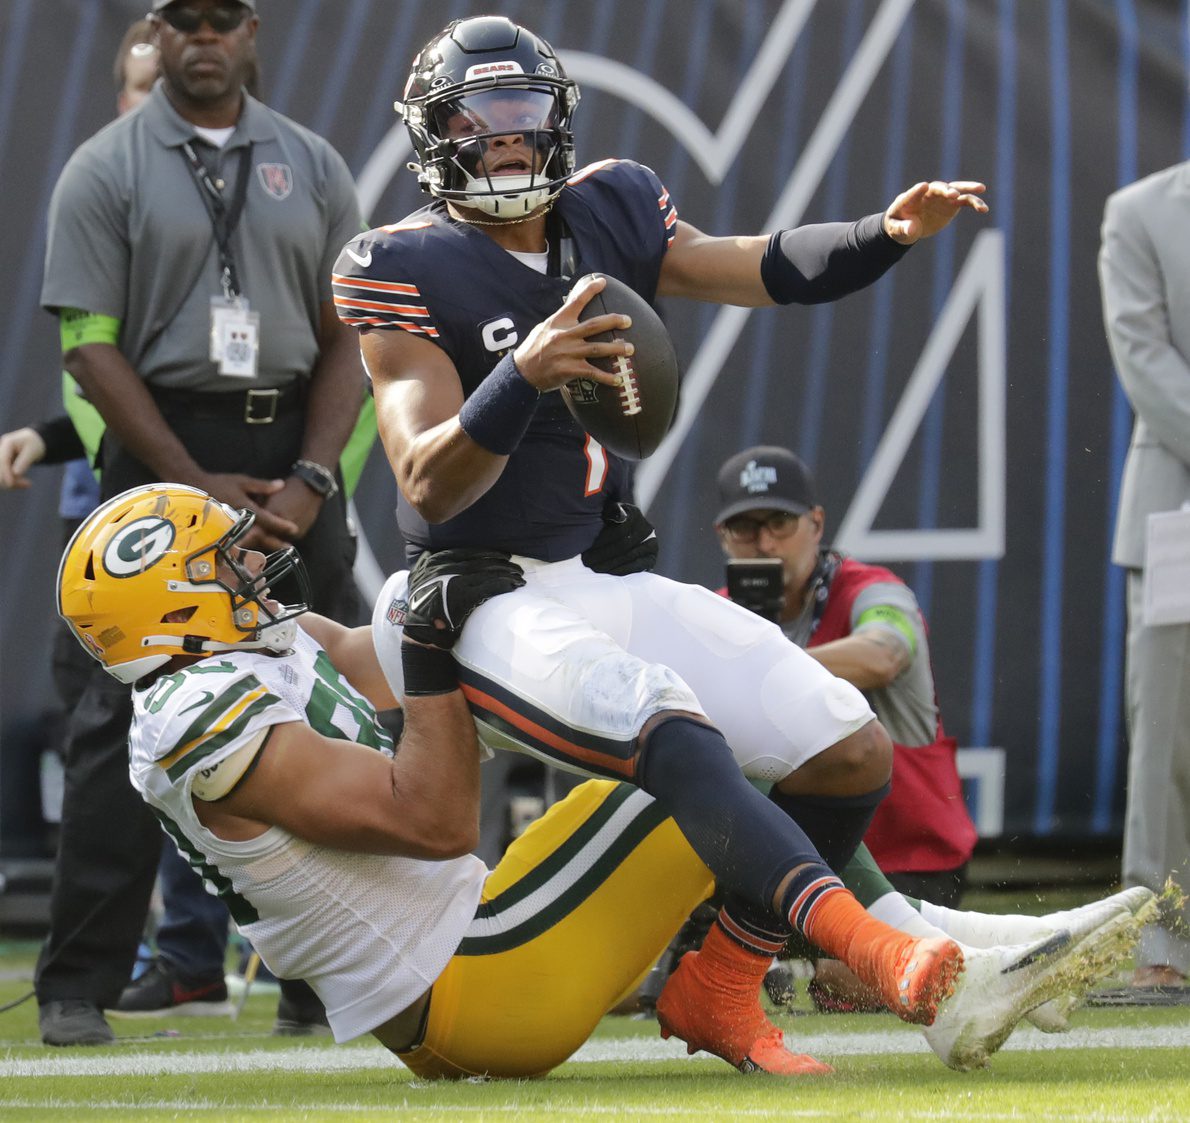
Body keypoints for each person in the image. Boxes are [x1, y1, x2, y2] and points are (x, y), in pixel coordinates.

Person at [328, 16, 1151, 1075]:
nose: (505, 140)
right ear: (432, 134)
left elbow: (753, 267)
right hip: (476, 599)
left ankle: (719, 983)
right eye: (477, 121)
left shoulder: (608, 208)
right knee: (669, 724)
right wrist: (521, 375)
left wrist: (881, 237)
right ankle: (885, 953)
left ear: (558, 123)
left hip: (588, 575)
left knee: (843, 740)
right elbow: (424, 475)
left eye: (523, 115)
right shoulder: (399, 263)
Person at [56, 484, 1147, 1076]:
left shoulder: (246, 655)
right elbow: (430, 817)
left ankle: (931, 942)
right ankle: (922, 967)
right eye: (223, 566)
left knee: (665, 734)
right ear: (170, 610)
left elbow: (396, 659)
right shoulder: (198, 717)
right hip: (471, 990)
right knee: (686, 756)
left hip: (478, 939)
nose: (257, 565)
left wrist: (548, 590)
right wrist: (435, 643)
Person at [36, 0, 367, 1046]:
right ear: (157, 31)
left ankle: (326, 976)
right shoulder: (103, 166)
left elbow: (349, 337)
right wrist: (193, 488)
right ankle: (78, 983)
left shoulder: (312, 164)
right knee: (112, 722)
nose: (205, 37)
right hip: (159, 454)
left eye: (223, 18)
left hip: (290, 455)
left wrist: (311, 481)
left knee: (332, 703)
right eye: (185, 20)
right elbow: (89, 347)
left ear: (253, 30)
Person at [712, 444, 977, 1010]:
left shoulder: (873, 591)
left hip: (908, 858)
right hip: (788, 867)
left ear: (816, 524)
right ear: (721, 538)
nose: (764, 544)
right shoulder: (715, 614)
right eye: (745, 528)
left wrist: (763, 663)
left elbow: (883, 654)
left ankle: (944, 954)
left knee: (839, 981)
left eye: (779, 523)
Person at [1098, 165, 1190, 1000]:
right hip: (1178, 510)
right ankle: (1163, 945)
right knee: (1169, 735)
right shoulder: (1139, 213)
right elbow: (1143, 356)